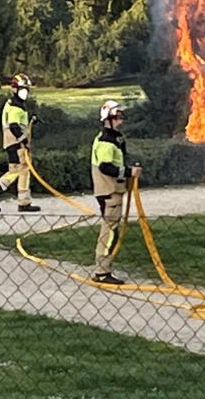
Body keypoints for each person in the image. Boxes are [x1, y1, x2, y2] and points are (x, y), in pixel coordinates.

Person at [90, 100, 137, 285]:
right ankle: (102, 271)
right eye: (117, 117)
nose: (120, 121)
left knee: (111, 231)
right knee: (109, 233)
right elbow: (105, 167)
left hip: (111, 191)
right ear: (108, 119)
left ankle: (103, 269)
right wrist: (128, 173)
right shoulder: (106, 142)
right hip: (109, 192)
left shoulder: (110, 138)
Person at [0, 73, 39, 213]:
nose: (25, 92)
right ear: (14, 89)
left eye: (26, 89)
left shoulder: (16, 104)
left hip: (14, 144)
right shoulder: (15, 107)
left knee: (24, 171)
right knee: (15, 171)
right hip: (15, 145)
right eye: (22, 89)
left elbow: (19, 124)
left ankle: (24, 202)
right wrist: (24, 141)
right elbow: (14, 126)